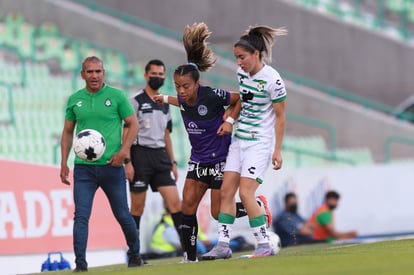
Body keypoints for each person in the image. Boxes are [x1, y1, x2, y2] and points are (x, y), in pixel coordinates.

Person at [154, 22, 271, 263]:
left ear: (197, 84)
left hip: (221, 160)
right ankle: (190, 258)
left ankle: (257, 205)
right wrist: (165, 97)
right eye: (177, 86)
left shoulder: (212, 95)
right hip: (198, 161)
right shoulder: (184, 99)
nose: (182, 91)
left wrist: (228, 120)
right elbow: (181, 102)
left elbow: (239, 99)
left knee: (218, 213)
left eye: (186, 86)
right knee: (187, 207)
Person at [202, 25, 288, 260]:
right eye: (236, 58)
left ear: (256, 54)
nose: (239, 62)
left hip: (260, 143)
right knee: (225, 192)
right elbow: (243, 99)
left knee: (246, 193)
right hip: (239, 141)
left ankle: (263, 243)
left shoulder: (273, 80)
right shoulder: (242, 74)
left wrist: (277, 150)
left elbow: (280, 117)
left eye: (242, 57)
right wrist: (230, 119)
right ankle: (223, 245)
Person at [59, 56, 142, 272]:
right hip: (84, 168)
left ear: (103, 73)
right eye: (89, 72)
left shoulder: (116, 96)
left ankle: (135, 255)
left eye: (98, 71)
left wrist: (123, 152)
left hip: (111, 167)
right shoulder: (75, 99)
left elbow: (133, 125)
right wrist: (63, 162)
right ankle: (80, 264)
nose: (94, 76)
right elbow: (68, 132)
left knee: (123, 214)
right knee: (81, 216)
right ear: (82, 74)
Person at [123, 59, 182, 249]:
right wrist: (128, 162)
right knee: (138, 208)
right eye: (154, 74)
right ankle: (134, 253)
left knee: (175, 204)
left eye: (161, 74)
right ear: (146, 75)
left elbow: (166, 134)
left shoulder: (165, 102)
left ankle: (188, 252)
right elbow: (126, 132)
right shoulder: (136, 100)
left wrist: (172, 162)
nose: (157, 77)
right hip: (140, 156)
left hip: (161, 157)